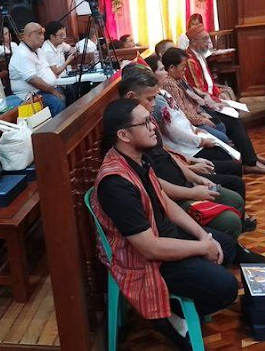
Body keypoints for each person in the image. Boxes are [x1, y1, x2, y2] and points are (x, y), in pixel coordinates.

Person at [91, 98, 238, 346]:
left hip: (164, 237)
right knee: (226, 288)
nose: (153, 126)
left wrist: (203, 237)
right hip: (145, 259)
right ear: (123, 135)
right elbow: (150, 248)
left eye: (150, 120)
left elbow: (166, 203)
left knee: (227, 245)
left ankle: (179, 307)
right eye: (145, 123)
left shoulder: (138, 158)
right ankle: (168, 315)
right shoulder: (115, 183)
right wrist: (201, 248)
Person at [118, 67, 262, 243]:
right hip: (175, 197)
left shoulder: (147, 120)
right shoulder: (131, 135)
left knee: (234, 193)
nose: (154, 103)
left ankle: (230, 244)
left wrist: (193, 172)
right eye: (150, 98)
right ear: (131, 97)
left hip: (182, 178)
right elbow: (154, 183)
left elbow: (165, 152)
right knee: (229, 218)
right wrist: (192, 191)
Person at [161, 48, 265, 175]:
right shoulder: (170, 84)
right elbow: (183, 111)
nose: (185, 69)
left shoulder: (178, 78)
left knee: (232, 118)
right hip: (194, 121)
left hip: (199, 112)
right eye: (183, 67)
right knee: (231, 123)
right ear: (172, 68)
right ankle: (250, 161)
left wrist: (204, 107)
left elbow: (192, 98)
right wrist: (202, 118)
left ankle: (250, 157)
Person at [9, 22, 66, 116]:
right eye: (39, 34)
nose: (43, 37)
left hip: (47, 89)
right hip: (32, 94)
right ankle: (58, 125)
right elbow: (34, 80)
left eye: (43, 33)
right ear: (28, 36)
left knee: (71, 90)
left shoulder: (39, 51)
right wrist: (53, 91)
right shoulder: (22, 54)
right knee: (57, 102)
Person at [184, 23, 236, 101]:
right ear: (194, 42)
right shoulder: (190, 60)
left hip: (211, 96)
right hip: (204, 101)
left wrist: (219, 94)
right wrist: (217, 100)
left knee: (228, 94)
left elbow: (210, 81)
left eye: (208, 39)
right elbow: (200, 90)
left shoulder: (201, 54)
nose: (208, 43)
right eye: (205, 39)